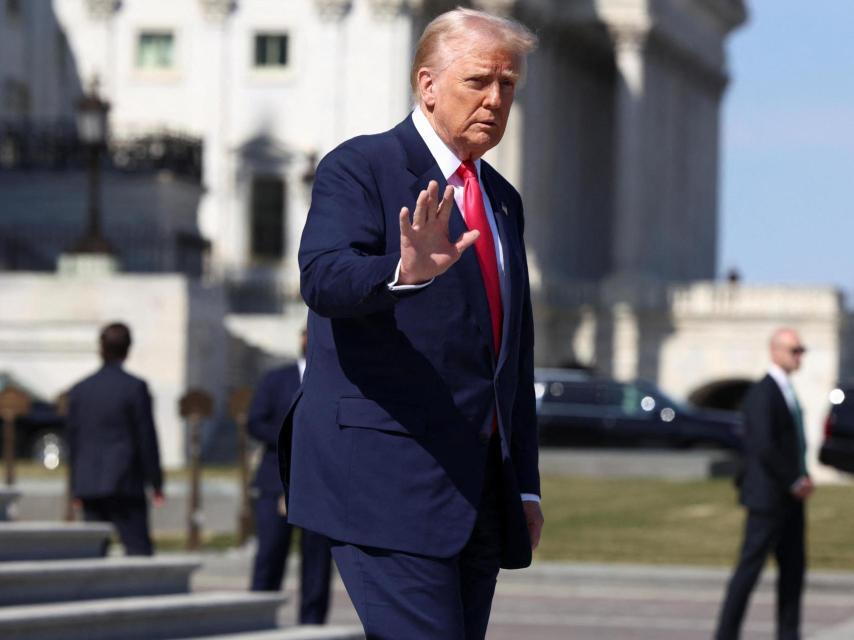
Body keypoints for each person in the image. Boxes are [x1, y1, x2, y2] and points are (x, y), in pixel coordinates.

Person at [278, 8, 543, 640]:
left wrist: (525, 486)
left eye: (507, 86)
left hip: (478, 493)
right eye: (479, 81)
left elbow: (512, 355)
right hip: (385, 480)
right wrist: (403, 271)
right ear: (427, 84)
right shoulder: (361, 167)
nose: (495, 99)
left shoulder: (503, 199)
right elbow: (323, 277)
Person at [715, 328, 814, 640]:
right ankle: (725, 634)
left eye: (801, 350)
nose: (799, 356)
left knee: (793, 572)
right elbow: (764, 445)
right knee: (749, 570)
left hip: (791, 499)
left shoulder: (788, 391)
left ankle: (789, 634)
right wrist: (794, 479)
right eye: (794, 350)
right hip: (767, 498)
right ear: (775, 351)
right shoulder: (762, 392)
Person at [248, 328, 332, 625]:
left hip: (320, 484)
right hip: (275, 482)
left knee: (317, 562)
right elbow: (254, 421)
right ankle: (257, 619)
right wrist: (291, 437)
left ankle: (312, 625)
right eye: (307, 334)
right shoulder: (276, 379)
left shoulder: (337, 378)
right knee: (269, 555)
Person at [66, 322, 164, 556]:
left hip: (89, 482)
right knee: (138, 549)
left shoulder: (80, 390)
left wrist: (75, 487)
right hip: (125, 482)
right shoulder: (135, 388)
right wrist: (156, 482)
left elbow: (74, 441)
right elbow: (146, 438)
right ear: (128, 349)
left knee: (93, 551)